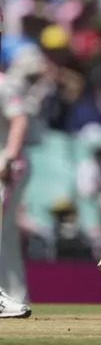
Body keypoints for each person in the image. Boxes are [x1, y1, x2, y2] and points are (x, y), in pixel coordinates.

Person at [0, 72, 32, 318]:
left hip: (7, 167)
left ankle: (9, 297)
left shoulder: (4, 83)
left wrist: (8, 158)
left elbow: (19, 120)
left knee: (5, 231)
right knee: (7, 234)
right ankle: (14, 296)